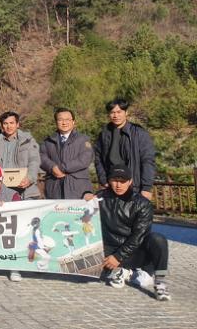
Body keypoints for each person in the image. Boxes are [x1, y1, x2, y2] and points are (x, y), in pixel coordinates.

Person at [83, 164, 170, 301]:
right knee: (88, 269)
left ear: (130, 182)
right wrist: (84, 198)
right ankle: (125, 272)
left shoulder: (142, 204)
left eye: (123, 181)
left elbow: (138, 236)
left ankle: (159, 282)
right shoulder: (100, 198)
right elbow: (81, 217)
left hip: (135, 251)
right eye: (114, 180)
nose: (118, 185)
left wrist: (118, 257)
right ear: (109, 181)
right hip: (109, 248)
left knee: (158, 239)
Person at [94, 98, 156, 199]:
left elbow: (148, 160)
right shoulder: (104, 134)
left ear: (126, 112)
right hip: (111, 186)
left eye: (119, 112)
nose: (116, 116)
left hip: (134, 187)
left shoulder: (138, 133)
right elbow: (98, 158)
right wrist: (103, 180)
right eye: (112, 112)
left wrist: (146, 187)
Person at [40, 108, 94, 199]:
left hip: (78, 186)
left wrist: (61, 168)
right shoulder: (48, 141)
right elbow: (41, 156)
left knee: (77, 208)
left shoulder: (83, 139)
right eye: (60, 120)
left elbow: (85, 159)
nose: (64, 123)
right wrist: (52, 167)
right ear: (56, 122)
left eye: (67, 119)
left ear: (73, 122)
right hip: (54, 186)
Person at [0, 111, 40, 200]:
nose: (9, 126)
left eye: (11, 123)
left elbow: (34, 161)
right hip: (2, 190)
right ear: (2, 126)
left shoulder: (28, 141)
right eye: (5, 123)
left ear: (17, 124)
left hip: (25, 190)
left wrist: (30, 178)